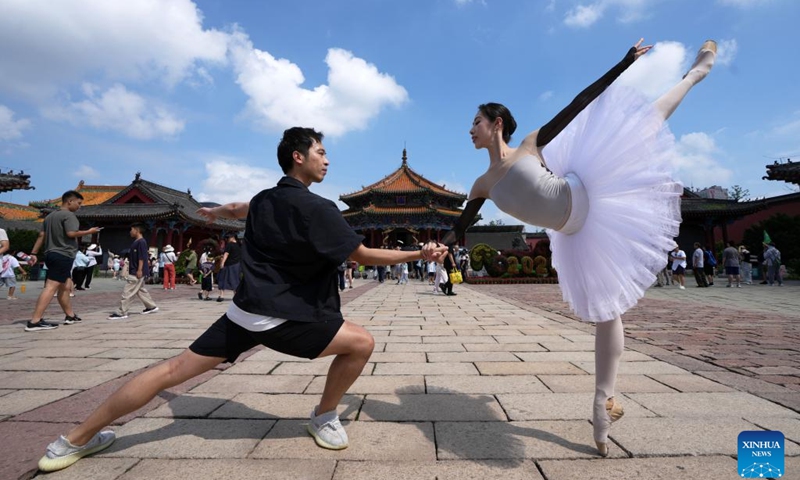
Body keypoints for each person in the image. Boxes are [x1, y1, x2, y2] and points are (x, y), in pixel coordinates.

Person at [35, 127, 447, 473]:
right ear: (299, 157)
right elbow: (362, 255)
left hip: (244, 313)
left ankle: (71, 441)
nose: (327, 160)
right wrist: (419, 253)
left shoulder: (266, 198)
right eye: (321, 153)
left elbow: (238, 206)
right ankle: (323, 416)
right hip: (287, 318)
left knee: (171, 371)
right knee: (362, 343)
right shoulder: (319, 208)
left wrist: (214, 213)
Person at [439, 38, 716, 456]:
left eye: (475, 121)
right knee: (608, 311)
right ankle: (603, 405)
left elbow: (580, 102)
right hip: (574, 233)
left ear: (497, 123)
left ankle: (695, 74)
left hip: (591, 193)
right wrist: (432, 246)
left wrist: (623, 63)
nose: (470, 129)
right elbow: (458, 229)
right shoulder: (481, 185)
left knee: (644, 124)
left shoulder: (531, 144)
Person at [25, 191, 102, 332]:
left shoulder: (50, 216)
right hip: (63, 254)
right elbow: (71, 233)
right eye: (78, 203)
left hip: (50, 253)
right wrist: (89, 232)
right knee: (51, 286)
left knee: (66, 286)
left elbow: (41, 235)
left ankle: (70, 315)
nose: (80, 206)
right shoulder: (69, 215)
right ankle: (35, 321)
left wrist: (34, 253)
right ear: (69, 201)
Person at [107, 224, 159, 320]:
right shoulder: (137, 242)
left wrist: (139, 270)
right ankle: (151, 306)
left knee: (128, 291)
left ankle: (122, 311)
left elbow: (141, 257)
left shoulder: (141, 242)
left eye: (131, 229)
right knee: (140, 290)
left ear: (137, 230)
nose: (130, 232)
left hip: (136, 271)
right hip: (136, 269)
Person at [216, 234, 241, 302]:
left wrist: (222, 263)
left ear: (232, 237)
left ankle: (221, 295)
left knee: (223, 278)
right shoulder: (240, 246)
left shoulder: (230, 245)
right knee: (235, 280)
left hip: (229, 264)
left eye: (228, 238)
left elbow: (226, 254)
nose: (227, 239)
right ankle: (236, 296)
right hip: (237, 265)